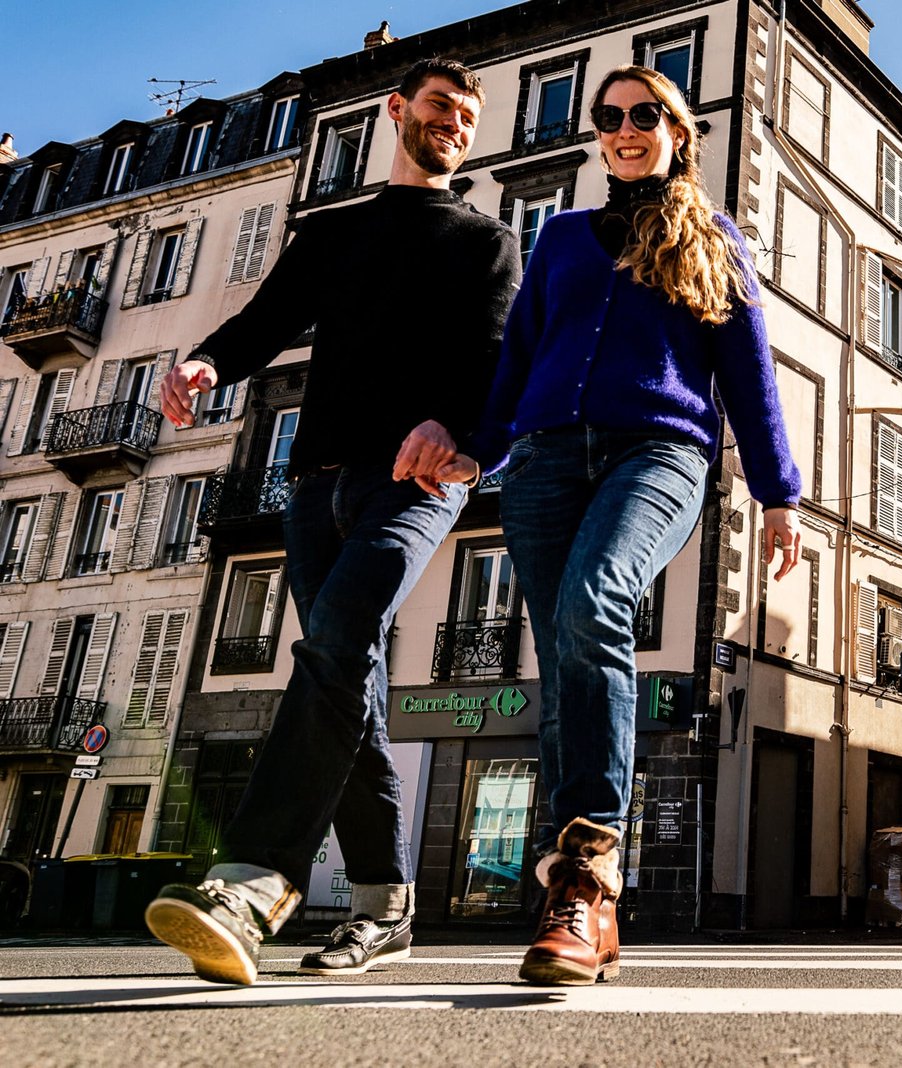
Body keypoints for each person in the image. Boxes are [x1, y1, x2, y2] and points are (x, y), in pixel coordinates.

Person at [142, 57, 521, 985]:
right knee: (347, 679)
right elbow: (264, 322)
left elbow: (497, 363)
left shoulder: (486, 242)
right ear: (398, 111)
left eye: (467, 115)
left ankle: (255, 877)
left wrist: (458, 431)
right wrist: (202, 368)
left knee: (338, 639)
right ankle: (384, 908)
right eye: (439, 106)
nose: (453, 124)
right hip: (315, 486)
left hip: (419, 484)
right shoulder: (331, 234)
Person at [432, 65, 803, 986]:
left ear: (680, 130)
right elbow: (519, 356)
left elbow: (746, 373)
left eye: (645, 115)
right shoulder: (557, 237)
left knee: (596, 601)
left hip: (660, 454)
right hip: (548, 461)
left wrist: (778, 493)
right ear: (598, 135)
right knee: (563, 656)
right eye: (609, 118)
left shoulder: (713, 237)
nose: (625, 129)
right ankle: (574, 904)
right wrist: (479, 449)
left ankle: (593, 867)